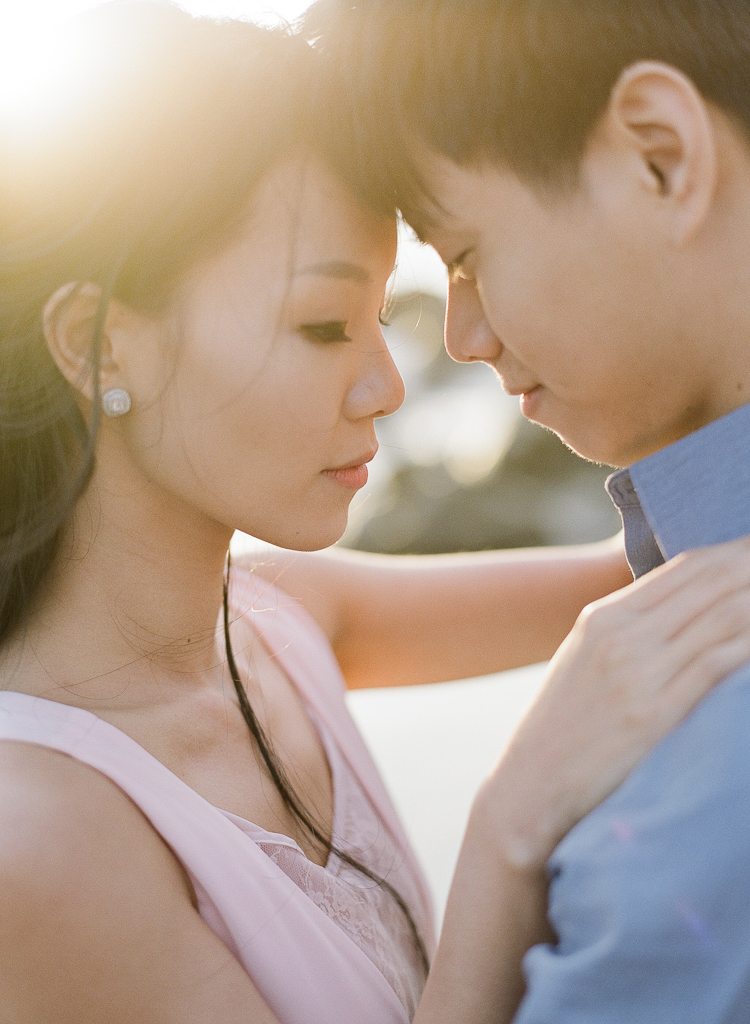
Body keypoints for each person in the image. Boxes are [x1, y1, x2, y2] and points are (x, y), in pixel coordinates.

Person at [2, 3, 750, 1023]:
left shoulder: (279, 623)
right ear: (101, 340)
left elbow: (663, 586)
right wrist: (506, 831)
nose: (389, 386)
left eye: (378, 318)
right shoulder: (37, 838)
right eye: (320, 324)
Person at [304, 0, 750, 1021]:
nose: (459, 334)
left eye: (462, 252)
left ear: (660, 156)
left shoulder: (709, 786)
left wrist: (509, 829)